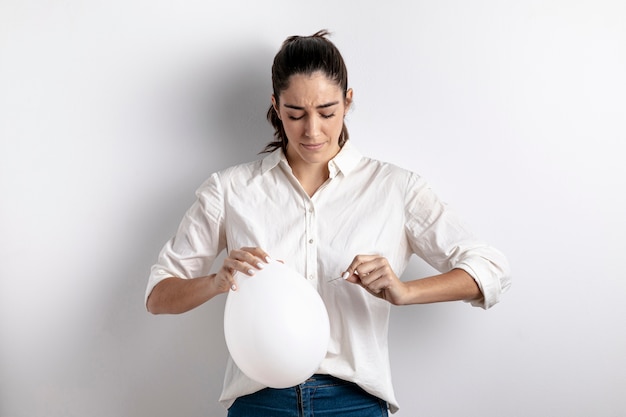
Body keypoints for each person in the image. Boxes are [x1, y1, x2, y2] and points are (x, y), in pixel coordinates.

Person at [145, 30, 511, 416]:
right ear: (275, 105)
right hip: (261, 402)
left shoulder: (394, 188)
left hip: (354, 402)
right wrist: (216, 281)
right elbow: (157, 296)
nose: (312, 131)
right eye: (295, 114)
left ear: (348, 101)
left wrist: (405, 292)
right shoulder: (230, 189)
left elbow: (491, 269)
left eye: (327, 111)